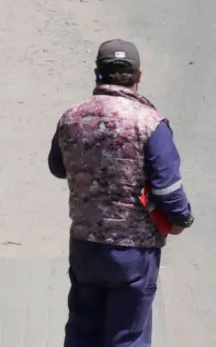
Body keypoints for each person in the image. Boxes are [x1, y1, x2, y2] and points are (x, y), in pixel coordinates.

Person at [49, 40, 194, 347]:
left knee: (81, 331)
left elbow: (58, 167)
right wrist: (182, 217)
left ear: (97, 74)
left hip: (85, 247)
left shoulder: (71, 118)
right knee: (127, 337)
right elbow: (167, 187)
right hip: (133, 253)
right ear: (137, 75)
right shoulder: (150, 123)